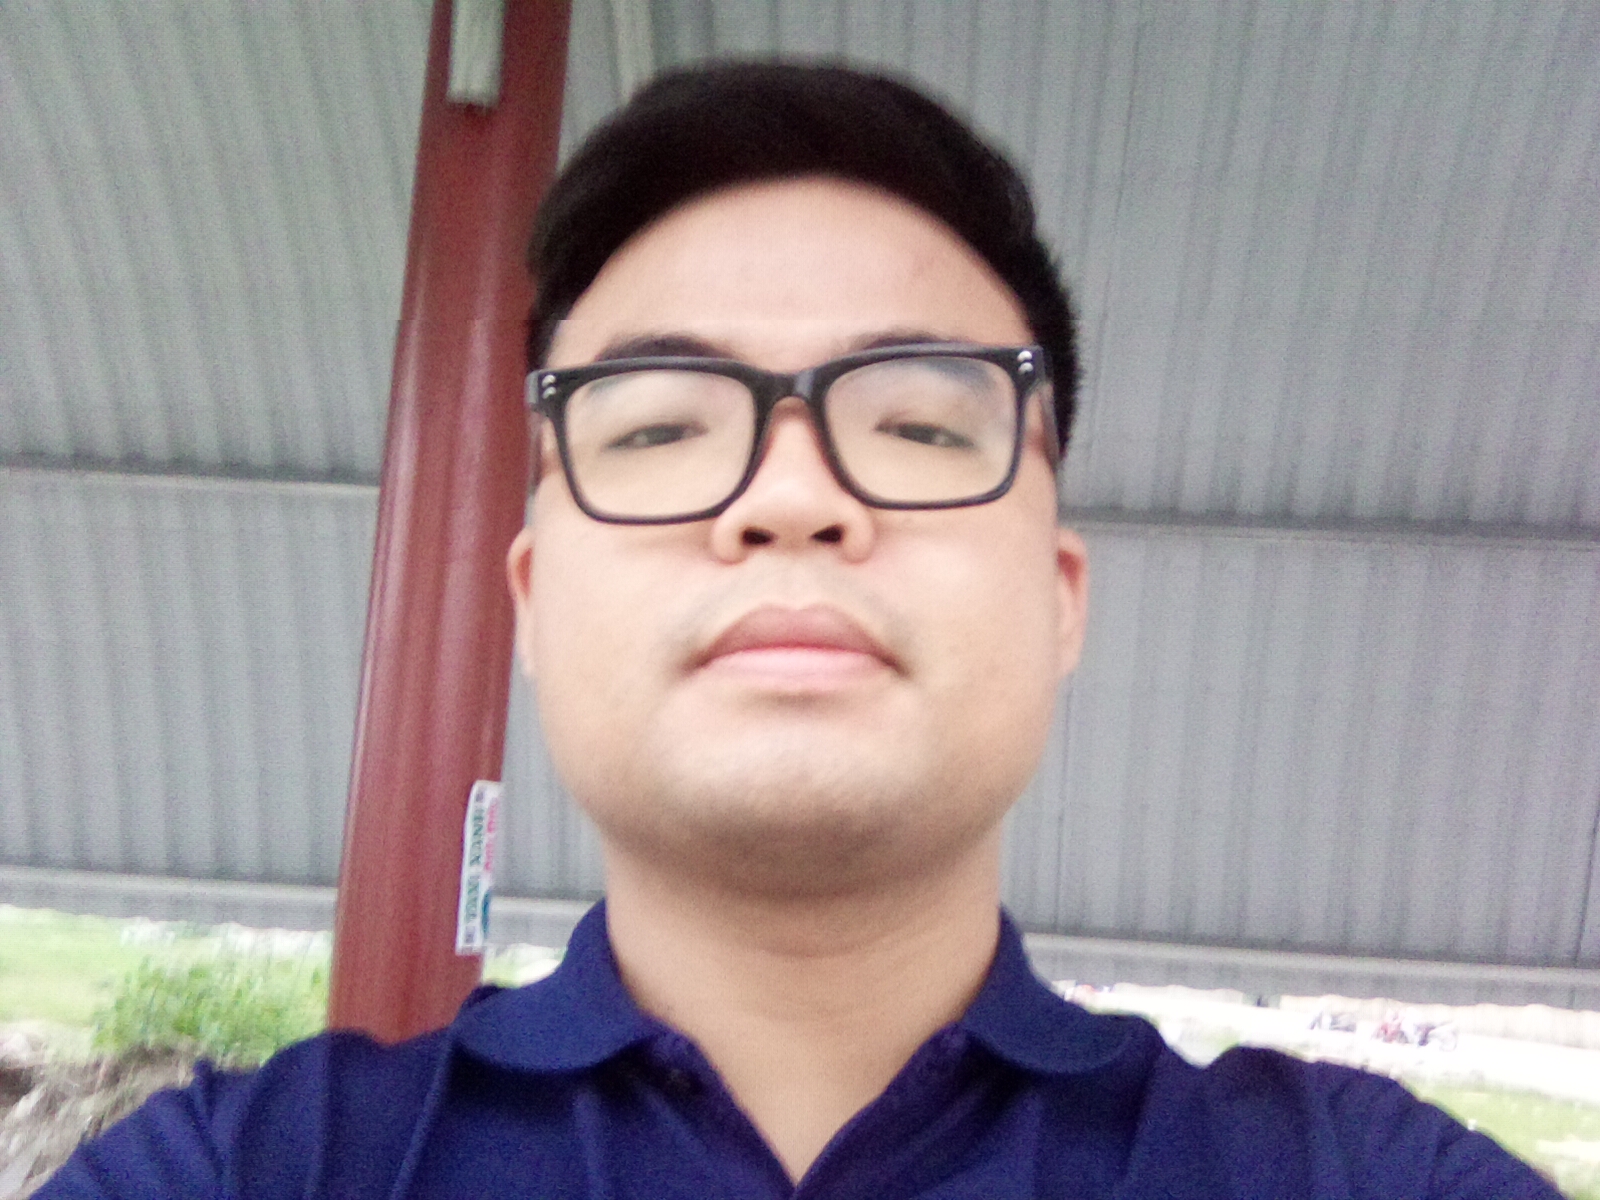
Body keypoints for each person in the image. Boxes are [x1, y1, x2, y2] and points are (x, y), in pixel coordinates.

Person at [40, 62, 1558, 1199]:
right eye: (658, 428)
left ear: (1059, 599)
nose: (788, 497)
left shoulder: (1359, 1177)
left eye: (916, 424)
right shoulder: (248, 1171)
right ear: (533, 601)